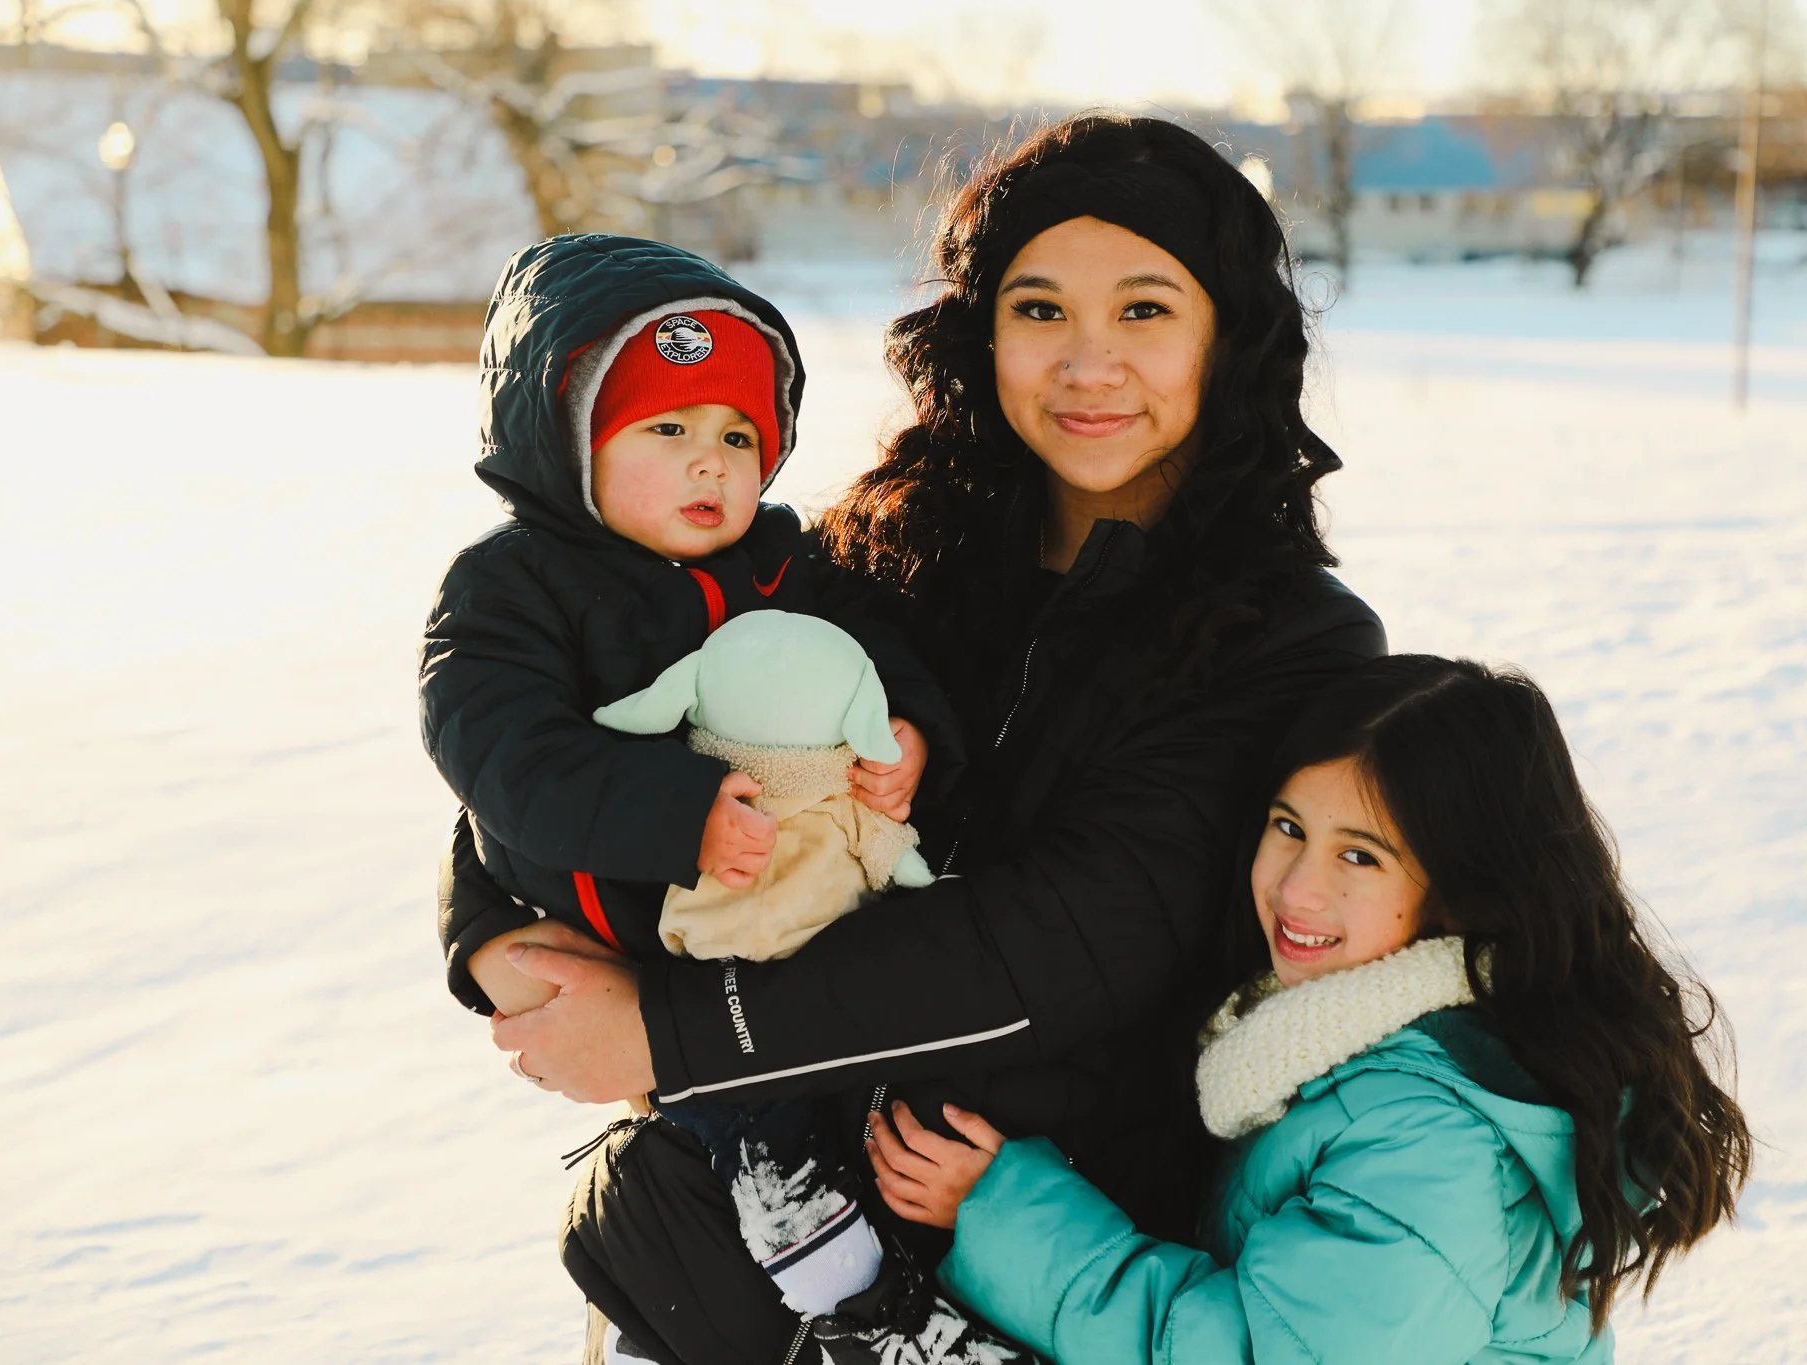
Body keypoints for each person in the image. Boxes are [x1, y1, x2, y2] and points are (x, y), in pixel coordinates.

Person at [450, 114, 1388, 1364]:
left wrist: (673, 1029)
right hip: (706, 1249)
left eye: (1147, 310)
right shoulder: (873, 550)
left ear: (1227, 336)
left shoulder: (1291, 642)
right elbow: (551, 720)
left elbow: (1077, 936)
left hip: (1037, 1268)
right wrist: (491, 933)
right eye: (1039, 309)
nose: (1086, 363)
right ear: (980, 330)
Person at [870, 655, 1756, 1364]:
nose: (1298, 888)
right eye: (1289, 826)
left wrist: (1012, 1213)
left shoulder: (1431, 1142)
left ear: (1460, 889)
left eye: (1361, 858)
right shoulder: (1347, 1040)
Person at [420, 236, 960, 1338]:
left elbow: (873, 661)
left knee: (848, 1087)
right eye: (665, 430)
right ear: (569, 440)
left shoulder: (786, 566)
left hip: (802, 921)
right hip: (637, 928)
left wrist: (909, 738)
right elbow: (501, 752)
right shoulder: (511, 588)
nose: (709, 463)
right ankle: (840, 1289)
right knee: (734, 1113)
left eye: (736, 435)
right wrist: (678, 813)